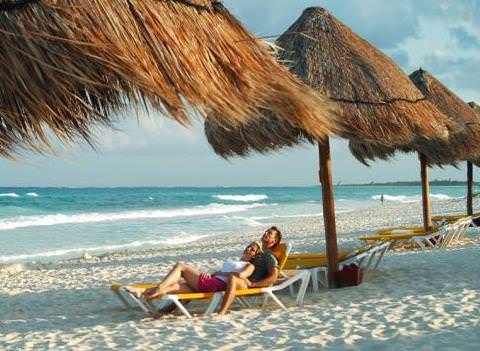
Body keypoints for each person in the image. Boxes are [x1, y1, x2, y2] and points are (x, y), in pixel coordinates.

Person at [125, 241, 262, 301]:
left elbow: (240, 276)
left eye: (252, 249)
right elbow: (219, 274)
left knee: (180, 266)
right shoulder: (237, 261)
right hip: (212, 281)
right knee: (172, 287)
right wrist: (212, 274)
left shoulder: (249, 265)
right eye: (248, 247)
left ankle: (157, 288)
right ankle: (142, 292)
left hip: (214, 285)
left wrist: (219, 274)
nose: (248, 249)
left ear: (255, 255)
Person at [218, 226, 282, 315]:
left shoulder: (268, 255)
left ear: (274, 241)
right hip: (243, 279)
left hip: (248, 285)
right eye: (266, 231)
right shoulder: (260, 254)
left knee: (232, 277)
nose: (266, 233)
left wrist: (253, 284)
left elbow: (274, 277)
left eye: (270, 233)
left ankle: (222, 311)